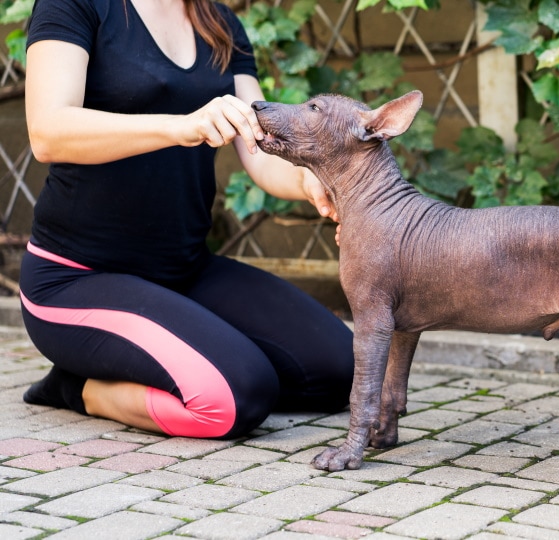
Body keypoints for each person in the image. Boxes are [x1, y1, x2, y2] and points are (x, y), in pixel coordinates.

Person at [19, 0, 355, 439]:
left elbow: (261, 150)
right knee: (233, 398)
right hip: (74, 278)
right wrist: (182, 127)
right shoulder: (75, 5)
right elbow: (48, 132)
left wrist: (312, 181)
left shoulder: (219, 23)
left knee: (339, 370)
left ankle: (193, 349)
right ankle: (77, 387)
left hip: (184, 271)